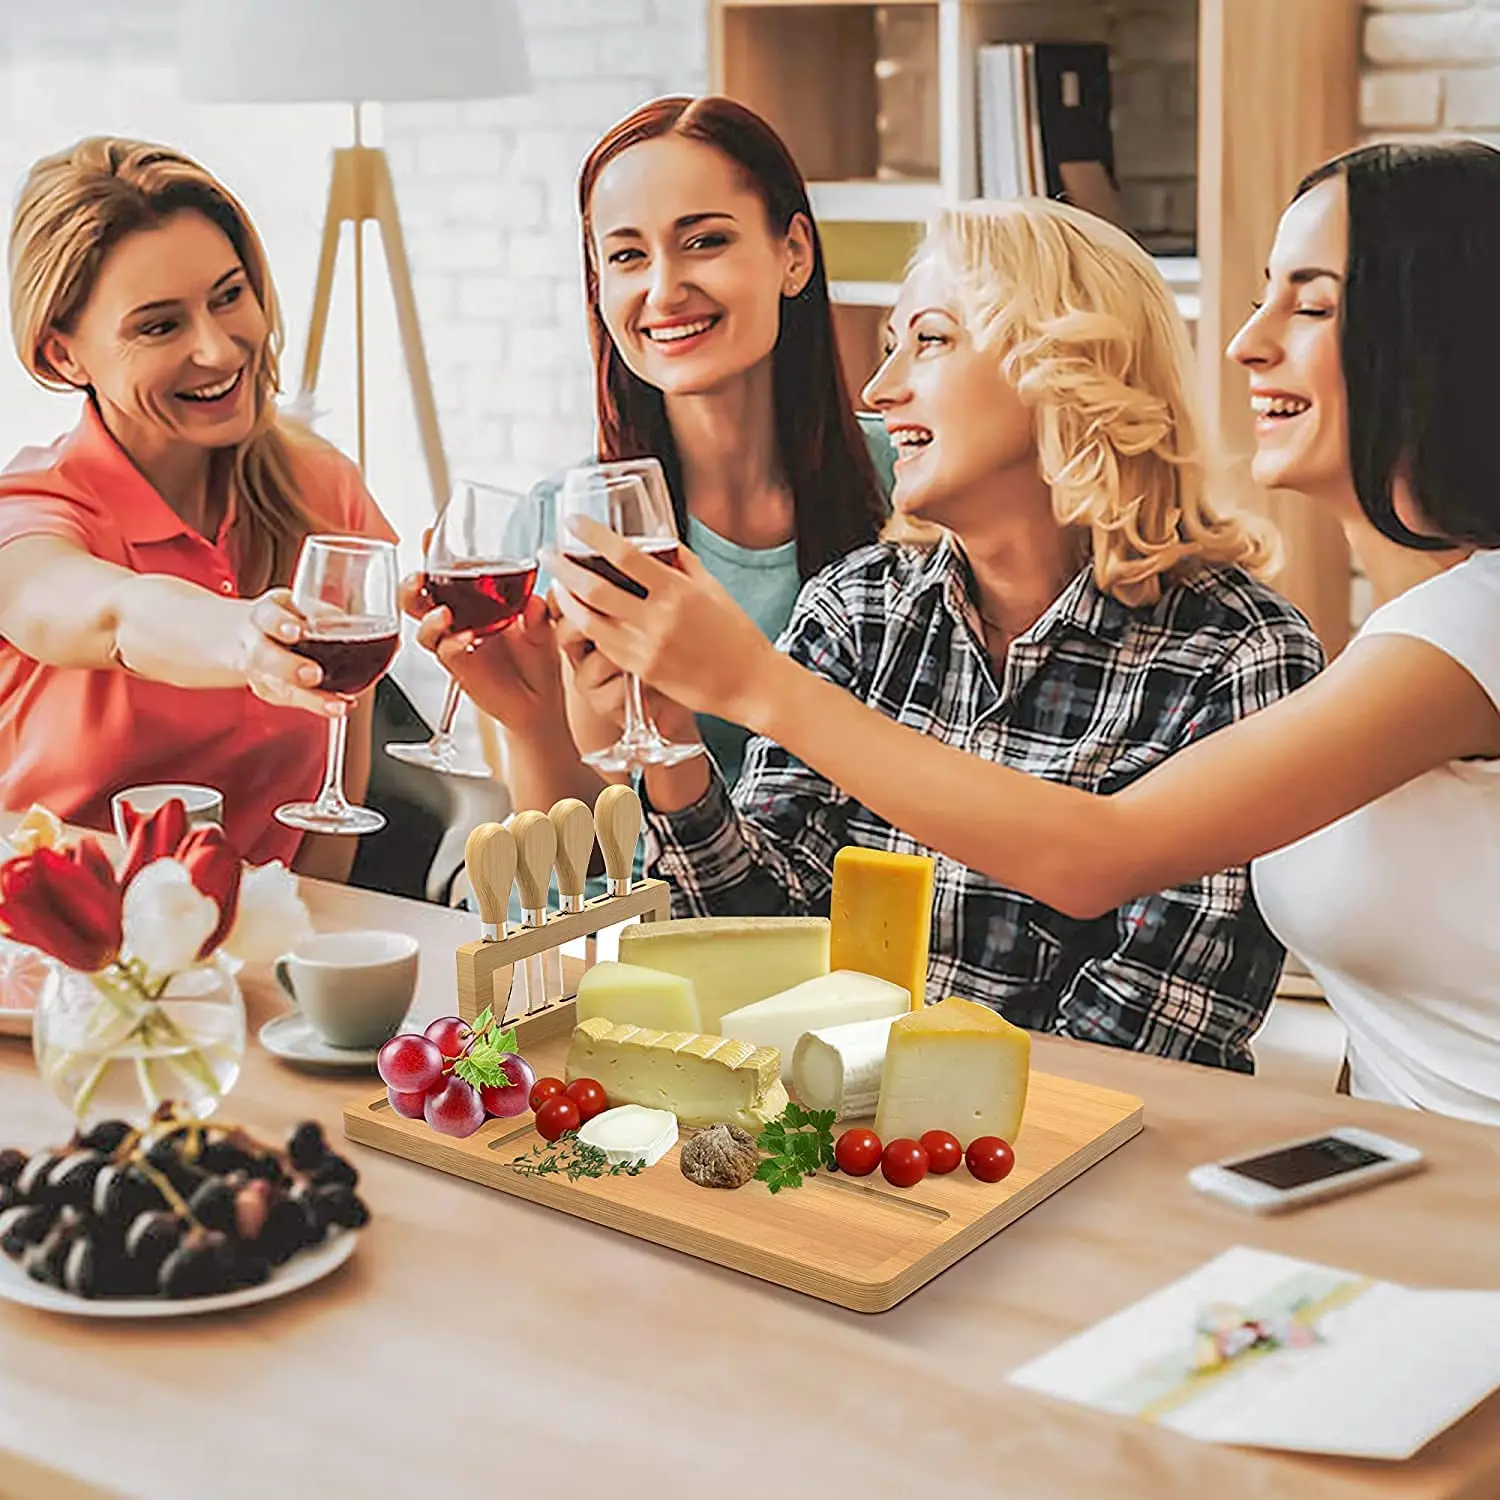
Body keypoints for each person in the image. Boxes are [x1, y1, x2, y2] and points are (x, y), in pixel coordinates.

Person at [550, 197, 1326, 1074]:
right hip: (836, 1143)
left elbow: (1151, 1044)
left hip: (1077, 1178)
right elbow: (753, 936)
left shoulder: (1238, 655)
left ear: (1066, 365)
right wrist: (670, 747)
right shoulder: (859, 607)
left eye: (930, 339)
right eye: (889, 347)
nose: (879, 393)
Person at [404, 95, 891, 832]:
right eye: (628, 255)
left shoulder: (914, 484)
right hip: (638, 923)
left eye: (704, 242)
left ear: (793, 253)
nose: (664, 291)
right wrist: (532, 723)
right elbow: (587, 867)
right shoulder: (557, 523)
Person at [0, 138, 397, 878]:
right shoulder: (28, 514)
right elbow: (113, 615)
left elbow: (335, 798)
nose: (218, 349)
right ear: (63, 357)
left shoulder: (320, 488)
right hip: (57, 969)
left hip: (267, 954)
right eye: (159, 326)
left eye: (228, 296)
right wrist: (245, 637)